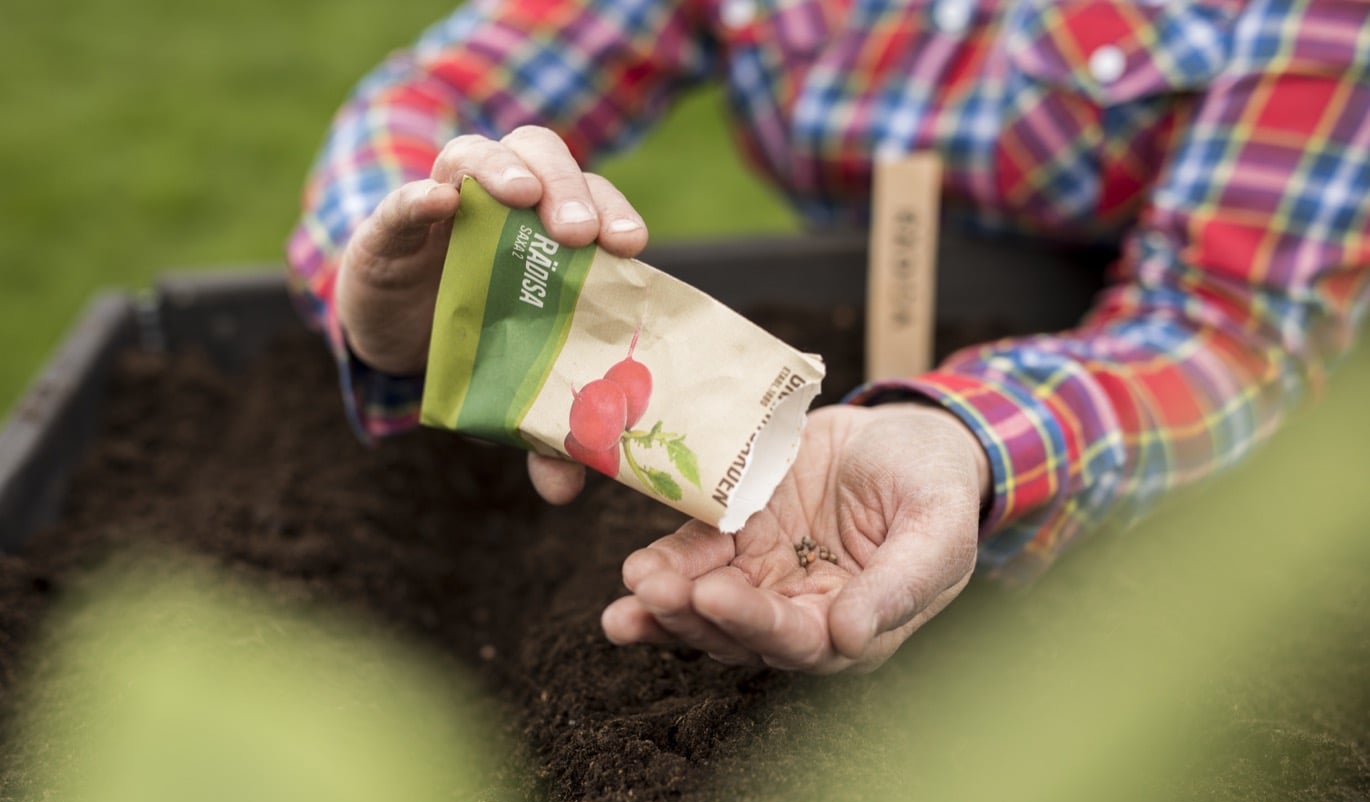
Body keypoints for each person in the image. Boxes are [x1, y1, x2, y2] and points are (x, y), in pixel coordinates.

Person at [287, 0, 1369, 673]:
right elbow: (441, 91)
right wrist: (415, 255)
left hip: (1131, 395)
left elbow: (1228, 326)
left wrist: (959, 436)